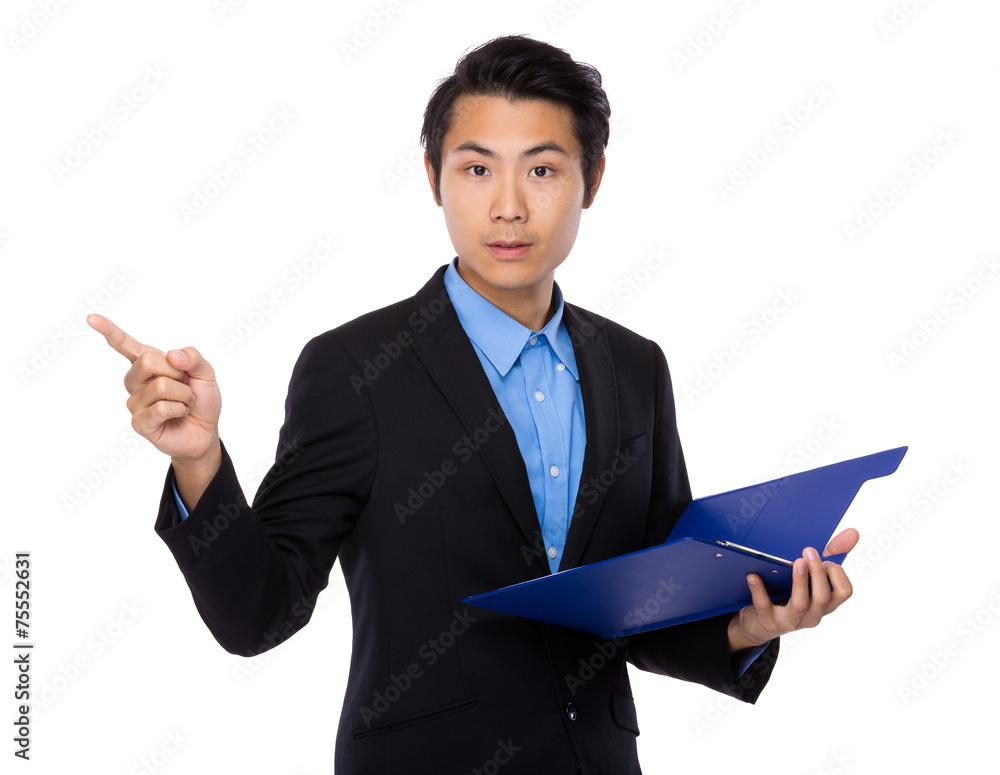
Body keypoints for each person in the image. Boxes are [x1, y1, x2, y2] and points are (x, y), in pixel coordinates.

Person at [89, 34, 857, 774]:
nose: (509, 206)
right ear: (434, 179)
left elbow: (646, 605)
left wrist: (748, 623)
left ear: (592, 180)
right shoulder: (355, 368)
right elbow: (258, 613)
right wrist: (200, 463)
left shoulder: (634, 366)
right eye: (478, 169)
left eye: (543, 169)